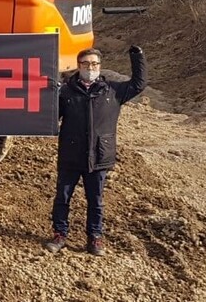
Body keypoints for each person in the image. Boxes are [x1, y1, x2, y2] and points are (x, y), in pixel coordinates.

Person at [45, 45, 147, 256]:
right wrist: (48, 92)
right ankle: (60, 234)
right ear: (78, 65)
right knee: (62, 198)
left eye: (94, 64)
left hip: (99, 156)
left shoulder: (112, 91)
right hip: (71, 155)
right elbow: (50, 118)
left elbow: (139, 84)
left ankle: (95, 238)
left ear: (99, 66)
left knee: (96, 201)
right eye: (85, 64)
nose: (89, 67)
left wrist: (137, 57)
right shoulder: (65, 92)